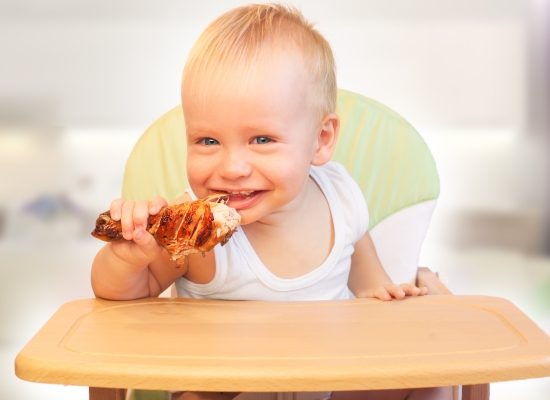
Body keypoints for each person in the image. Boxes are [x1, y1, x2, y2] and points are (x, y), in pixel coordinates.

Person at [91, 4, 450, 400]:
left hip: (329, 380)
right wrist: (126, 260)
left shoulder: (340, 195)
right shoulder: (193, 231)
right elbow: (125, 299)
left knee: (426, 376)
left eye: (262, 139)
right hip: (226, 388)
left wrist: (381, 293)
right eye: (208, 141)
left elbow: (367, 278)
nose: (232, 167)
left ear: (321, 140)